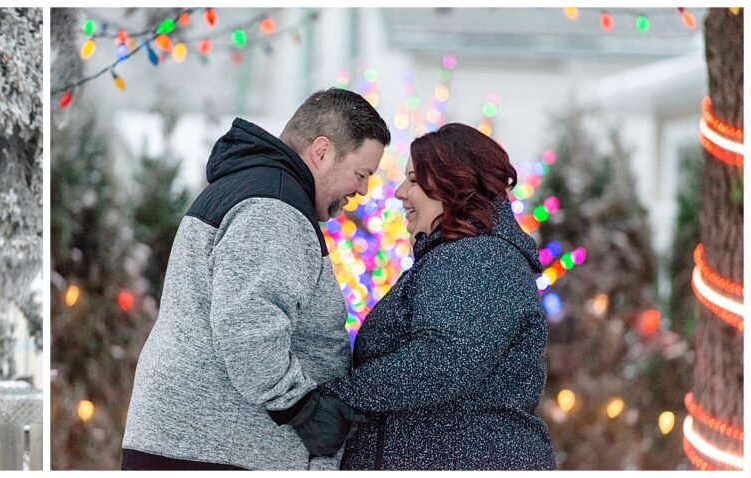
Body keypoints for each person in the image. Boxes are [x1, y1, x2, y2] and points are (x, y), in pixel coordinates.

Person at [121, 87, 391, 470]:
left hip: (195, 442)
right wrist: (302, 408)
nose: (362, 190)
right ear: (322, 151)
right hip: (217, 449)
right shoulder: (274, 208)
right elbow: (248, 325)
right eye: (360, 173)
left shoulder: (250, 189)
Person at [318, 123, 557, 470]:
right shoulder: (456, 258)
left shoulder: (481, 259)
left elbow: (445, 359)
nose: (400, 192)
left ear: (453, 185)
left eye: (414, 180)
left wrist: (339, 398)